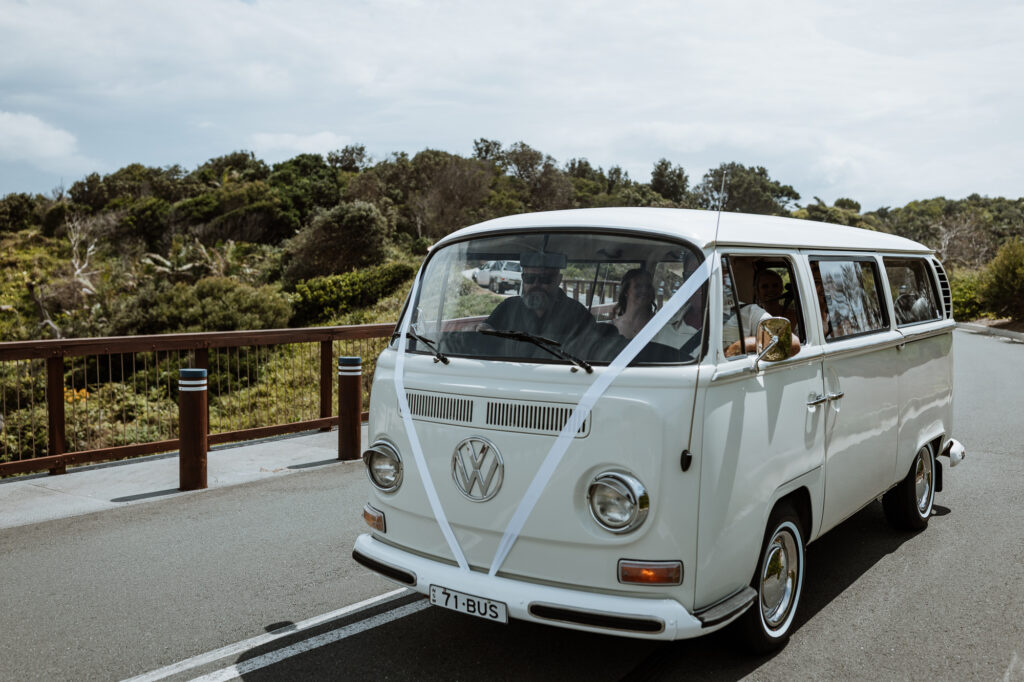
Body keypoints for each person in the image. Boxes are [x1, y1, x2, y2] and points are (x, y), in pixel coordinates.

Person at [478, 252, 594, 354]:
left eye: (544, 279)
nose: (536, 284)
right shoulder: (510, 306)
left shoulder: (577, 313)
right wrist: (487, 332)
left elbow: (593, 348)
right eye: (529, 278)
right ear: (523, 278)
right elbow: (485, 327)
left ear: (558, 280)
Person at [612, 269, 656, 339]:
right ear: (626, 291)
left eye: (648, 286)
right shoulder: (613, 327)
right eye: (638, 286)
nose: (644, 290)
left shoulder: (659, 323)